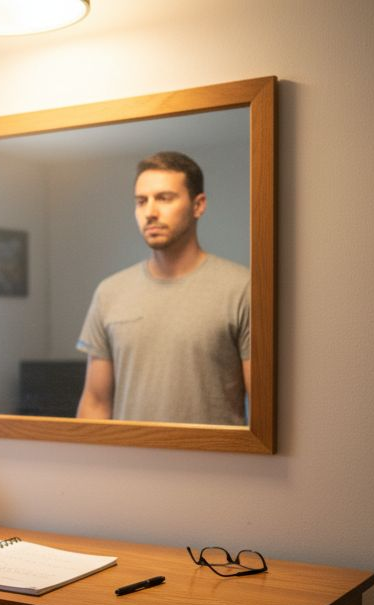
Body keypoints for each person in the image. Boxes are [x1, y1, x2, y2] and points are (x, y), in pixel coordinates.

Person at [75, 151, 251, 425]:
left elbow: (265, 409)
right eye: (141, 201)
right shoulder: (110, 293)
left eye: (164, 198)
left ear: (198, 205)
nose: (150, 212)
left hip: (215, 466)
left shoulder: (242, 288)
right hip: (127, 465)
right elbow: (95, 403)